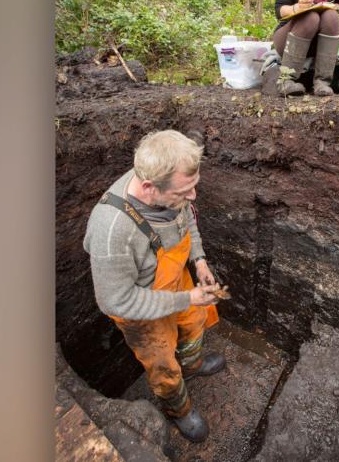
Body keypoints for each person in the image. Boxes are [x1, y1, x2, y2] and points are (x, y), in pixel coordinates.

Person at [83, 130, 225, 443]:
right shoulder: (113, 232)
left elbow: (186, 218)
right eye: (184, 191)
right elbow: (115, 301)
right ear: (148, 188)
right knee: (164, 369)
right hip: (141, 312)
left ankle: (194, 363)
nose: (193, 197)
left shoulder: (168, 187)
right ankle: (179, 409)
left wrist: (199, 261)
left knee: (195, 322)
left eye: (193, 187)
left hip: (178, 287)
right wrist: (186, 298)